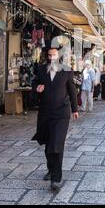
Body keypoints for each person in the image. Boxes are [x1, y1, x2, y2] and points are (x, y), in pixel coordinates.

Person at [32, 48, 79, 192]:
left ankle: (56, 179)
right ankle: (51, 169)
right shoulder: (41, 70)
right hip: (45, 113)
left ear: (59, 56)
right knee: (48, 143)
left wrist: (75, 109)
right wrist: (36, 88)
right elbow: (35, 84)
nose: (52, 57)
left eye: (54, 55)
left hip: (61, 114)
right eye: (50, 55)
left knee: (56, 144)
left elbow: (72, 90)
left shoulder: (67, 71)